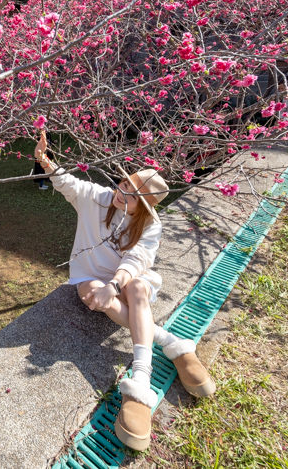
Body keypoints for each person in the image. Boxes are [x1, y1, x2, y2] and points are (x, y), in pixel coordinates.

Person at [33, 131, 215, 452]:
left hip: (125, 279)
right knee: (92, 294)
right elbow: (67, 183)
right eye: (126, 184)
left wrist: (115, 285)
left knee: (140, 286)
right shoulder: (99, 196)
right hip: (90, 275)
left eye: (134, 194)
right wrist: (44, 159)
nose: (123, 192)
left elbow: (137, 259)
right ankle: (171, 344)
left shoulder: (151, 224)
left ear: (145, 206)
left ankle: (140, 381)